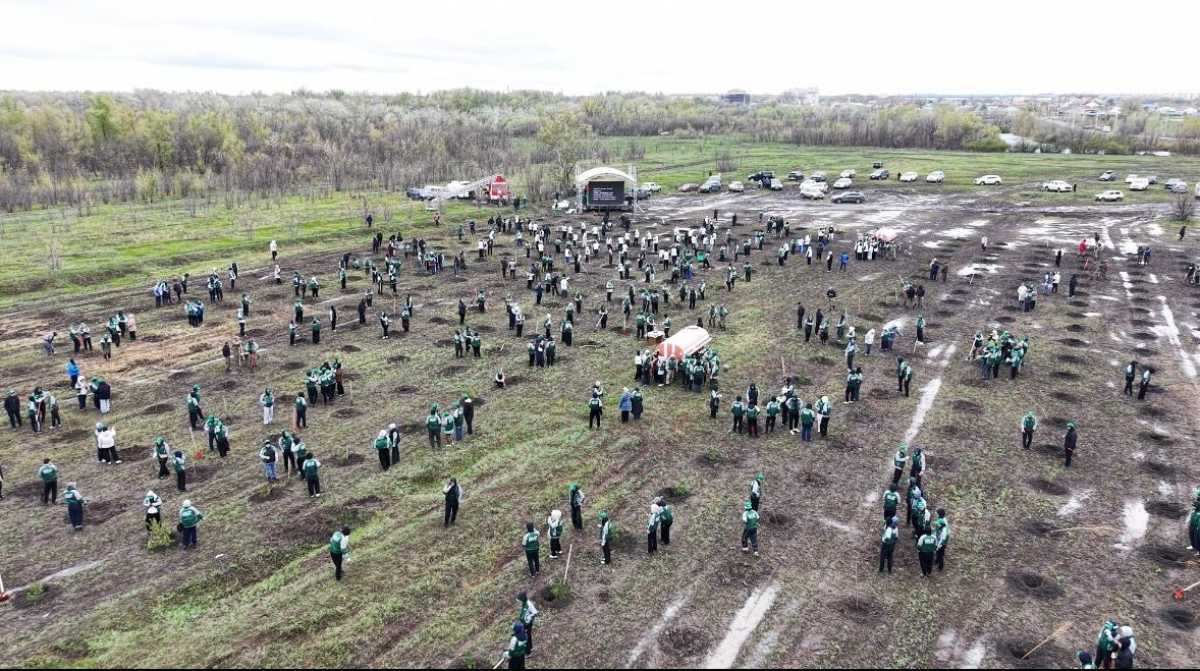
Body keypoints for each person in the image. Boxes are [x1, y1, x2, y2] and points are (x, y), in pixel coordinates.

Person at [517, 592, 540, 656]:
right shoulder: (524, 603)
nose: (519, 603)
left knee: (526, 637)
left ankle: (528, 653)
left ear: (523, 599)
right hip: (524, 623)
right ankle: (530, 648)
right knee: (527, 636)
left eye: (520, 601)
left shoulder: (529, 604)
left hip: (527, 624)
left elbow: (535, 612)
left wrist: (529, 618)